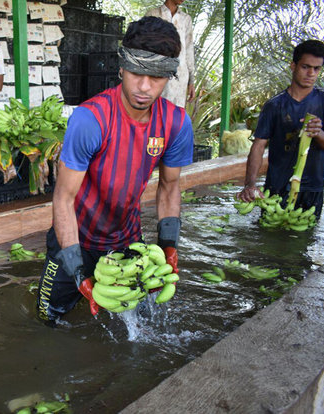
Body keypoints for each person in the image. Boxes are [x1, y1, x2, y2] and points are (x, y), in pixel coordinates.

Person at [36, 16, 194, 323]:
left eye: (157, 77)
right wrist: (76, 265)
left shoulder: (175, 123)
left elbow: (169, 186)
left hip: (125, 239)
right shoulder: (90, 119)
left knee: (138, 321)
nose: (145, 87)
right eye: (136, 72)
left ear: (170, 75)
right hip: (74, 238)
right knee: (49, 319)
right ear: (121, 66)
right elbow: (63, 198)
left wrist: (168, 247)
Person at [237, 40, 324, 218]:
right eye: (305, 67)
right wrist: (250, 184)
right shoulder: (274, 105)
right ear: (293, 66)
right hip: (277, 185)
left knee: (303, 240)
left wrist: (319, 133)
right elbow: (258, 146)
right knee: (268, 237)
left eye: (317, 69)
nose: (311, 73)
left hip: (312, 188)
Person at [145, 0, 195, 108]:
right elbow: (144, 46)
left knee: (176, 117)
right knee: (155, 114)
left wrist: (191, 80)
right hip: (156, 74)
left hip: (180, 77)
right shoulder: (153, 14)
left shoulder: (186, 19)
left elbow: (189, 49)